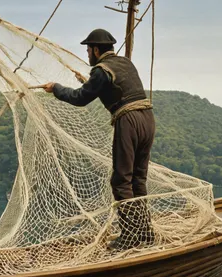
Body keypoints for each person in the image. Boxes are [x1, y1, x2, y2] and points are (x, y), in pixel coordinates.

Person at [41, 28, 155, 249]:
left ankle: (131, 237)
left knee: (121, 181)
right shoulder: (125, 63)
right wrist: (87, 81)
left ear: (94, 49)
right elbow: (115, 89)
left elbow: (79, 98)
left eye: (87, 50)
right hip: (148, 119)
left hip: (128, 120)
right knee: (138, 179)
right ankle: (145, 233)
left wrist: (56, 88)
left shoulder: (101, 71)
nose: (87, 55)